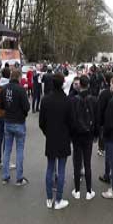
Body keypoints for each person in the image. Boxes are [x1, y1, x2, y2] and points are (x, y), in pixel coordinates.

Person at [39, 73, 74, 209]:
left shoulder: (45, 100)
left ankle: (49, 199)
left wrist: (47, 133)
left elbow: (41, 122)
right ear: (63, 83)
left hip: (51, 138)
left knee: (50, 168)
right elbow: (72, 122)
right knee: (61, 169)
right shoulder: (67, 100)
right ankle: (58, 199)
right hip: (64, 138)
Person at [0, 68, 30, 186]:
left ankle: (5, 176)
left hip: (7, 122)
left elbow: (1, 105)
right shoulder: (21, 90)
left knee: (7, 150)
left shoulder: (4, 89)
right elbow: (27, 107)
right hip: (19, 122)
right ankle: (19, 178)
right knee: (19, 150)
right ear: (18, 77)